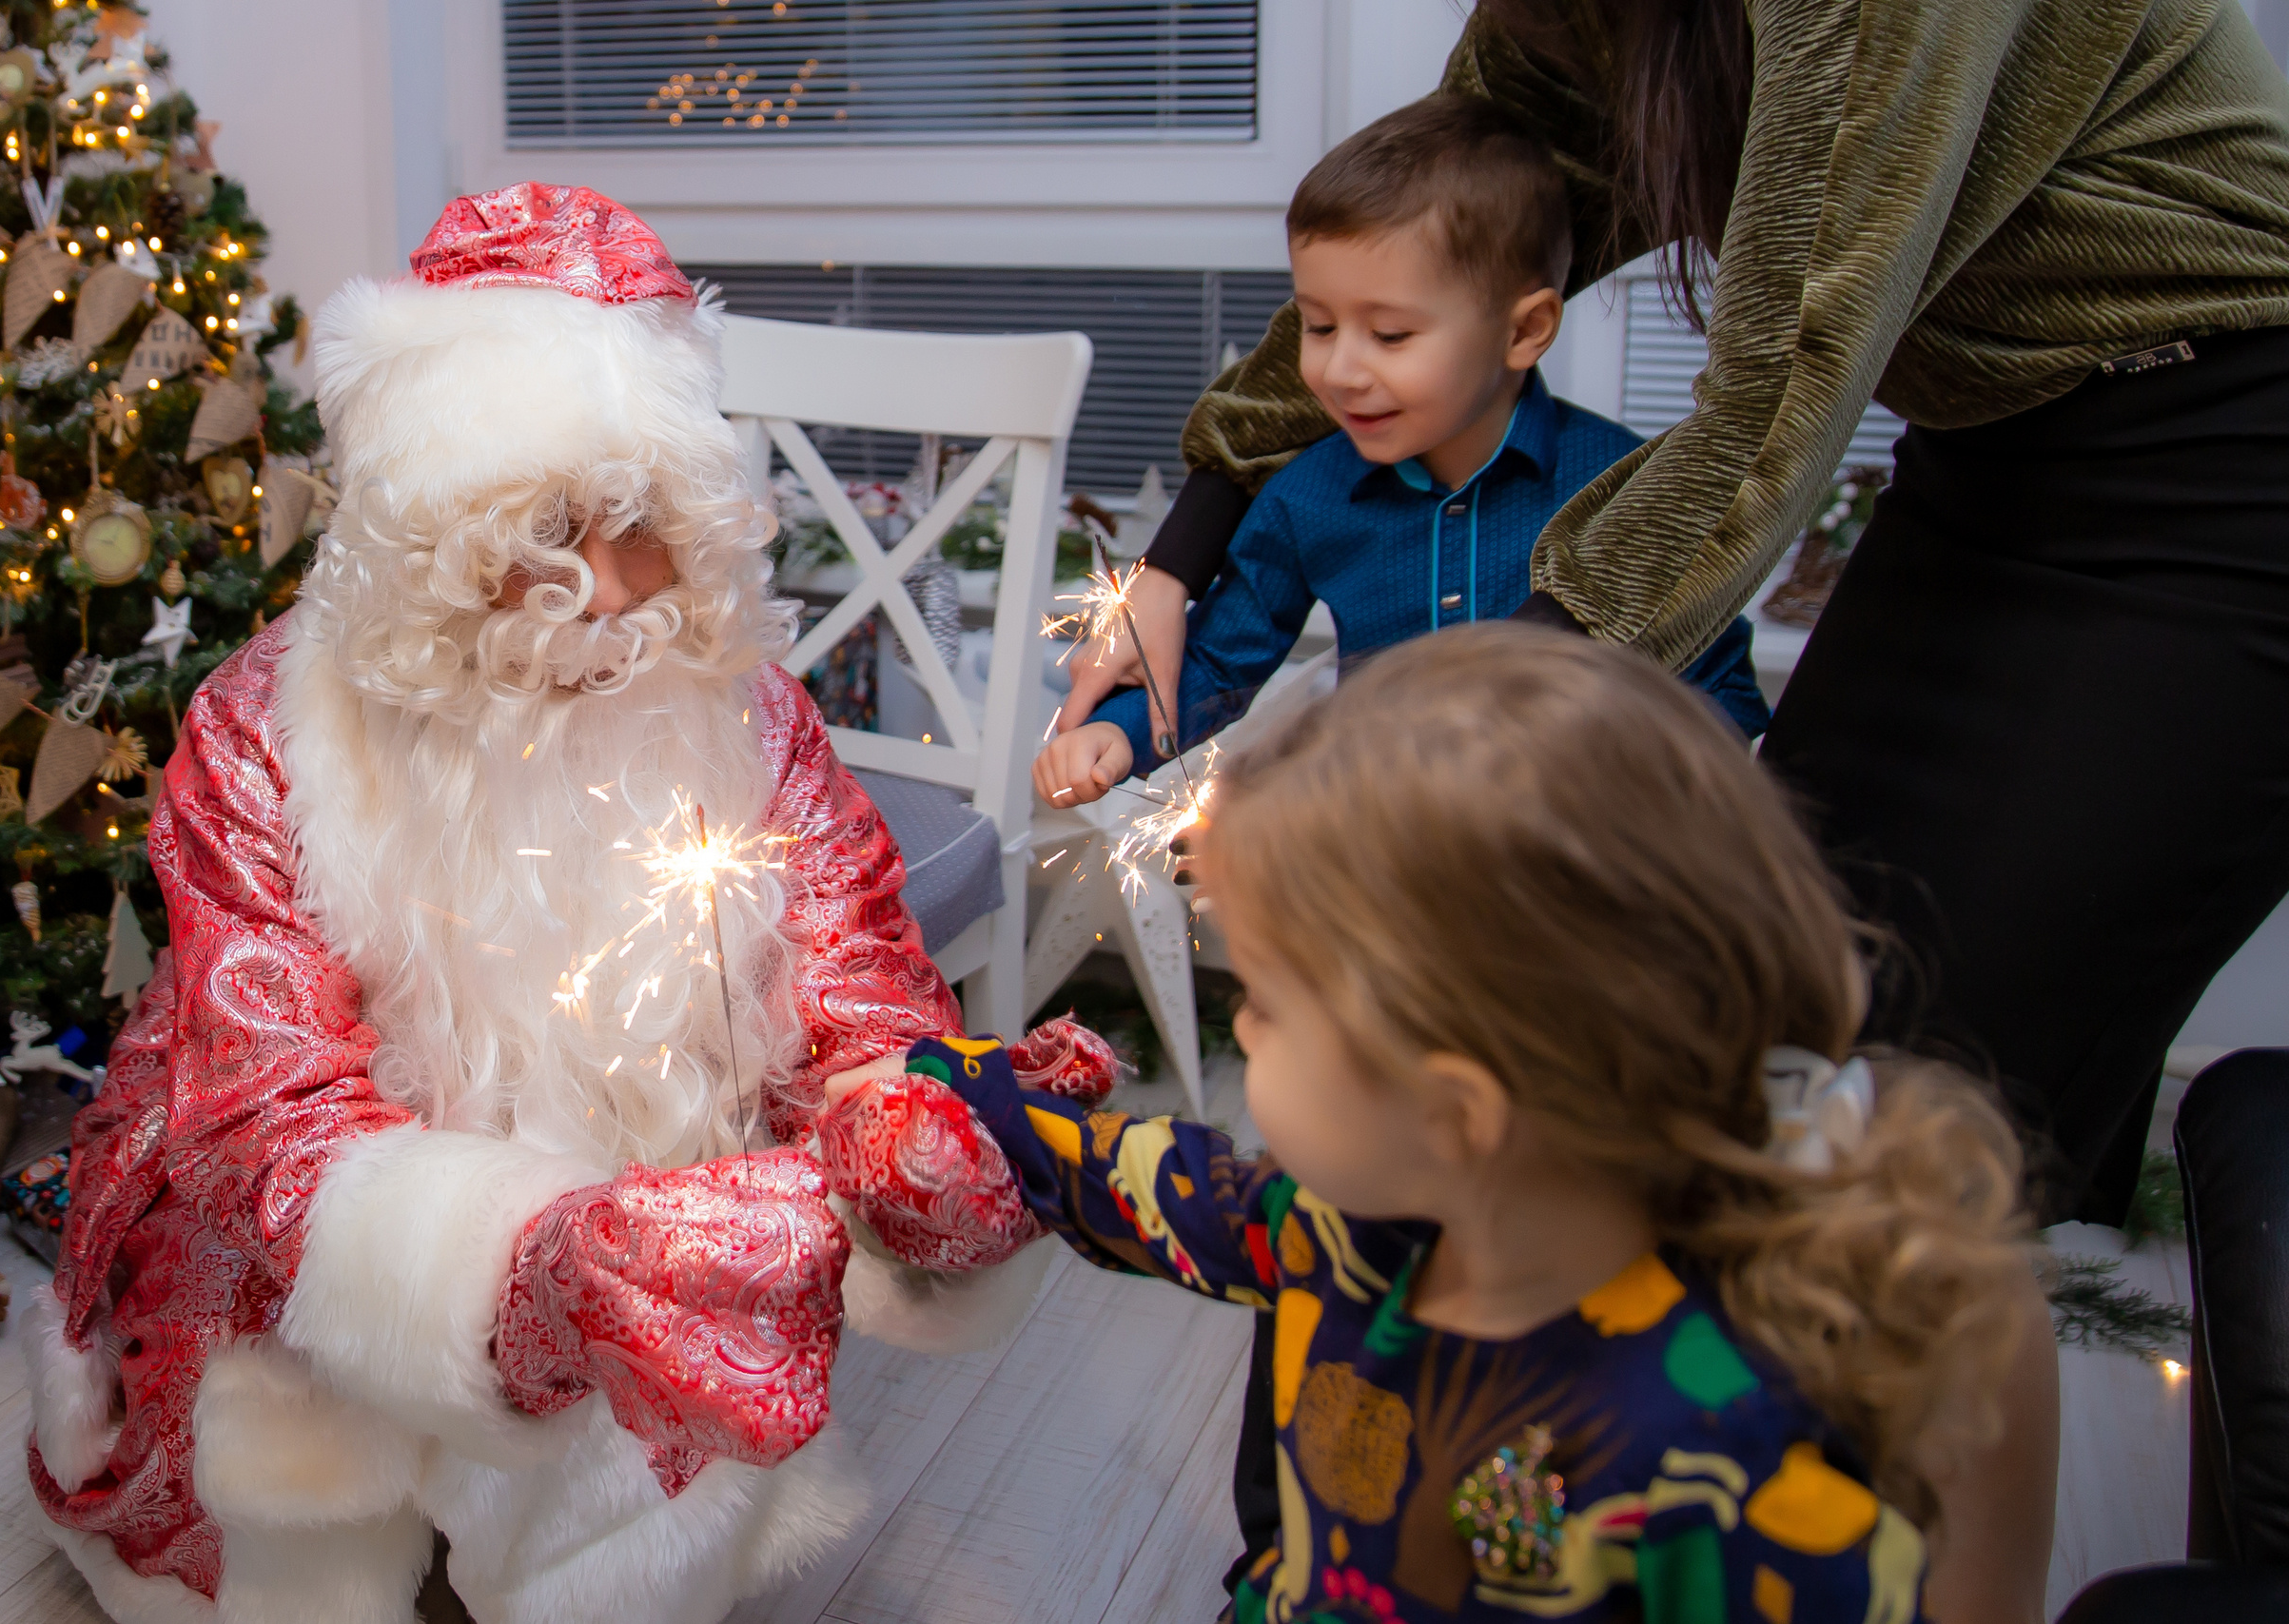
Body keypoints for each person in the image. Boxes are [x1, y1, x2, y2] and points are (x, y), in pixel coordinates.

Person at [23, 184, 1113, 1624]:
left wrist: (902, 1112)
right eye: (542, 532)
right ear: (428, 532)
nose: (603, 592)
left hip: (651, 1195)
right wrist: (520, 1265)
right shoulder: (269, 731)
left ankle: (570, 1521)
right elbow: (269, 1108)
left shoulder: (750, 717)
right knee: (285, 1370)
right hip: (323, 1202)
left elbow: (851, 959)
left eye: (643, 527)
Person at [1060, 0, 2289, 1234]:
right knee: (1770, 1020)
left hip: (2220, 476)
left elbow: (1776, 388)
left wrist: (1436, 728)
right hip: (1985, 455)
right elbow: (1455, 208)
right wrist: (1183, 549)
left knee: (1917, 1131)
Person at [833, 624, 2053, 1623]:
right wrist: (945, 1076)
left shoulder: (1714, 1470)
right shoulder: (1341, 1226)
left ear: (1454, 1108)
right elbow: (1136, 1180)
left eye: (1266, 1000)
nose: (1243, 1032)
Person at [1036, 98, 1765, 812]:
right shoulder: (1305, 496)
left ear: (1525, 330)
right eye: (1318, 327)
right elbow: (1218, 660)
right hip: (1380, 859)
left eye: (1390, 336)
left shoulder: (1626, 490)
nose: (1340, 370)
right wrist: (1116, 734)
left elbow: (1718, 693)